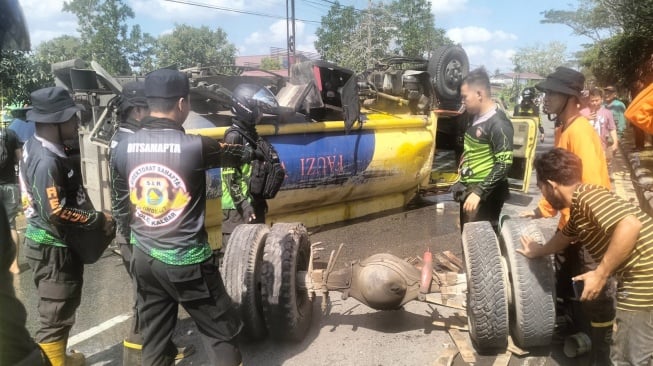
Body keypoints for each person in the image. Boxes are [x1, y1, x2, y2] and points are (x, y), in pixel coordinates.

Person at [111, 68, 262, 366]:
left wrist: (130, 243)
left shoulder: (122, 146)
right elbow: (238, 154)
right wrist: (254, 150)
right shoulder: (196, 146)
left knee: (154, 339)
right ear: (182, 104)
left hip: (143, 257)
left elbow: (120, 205)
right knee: (221, 334)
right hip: (187, 262)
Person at [518, 148, 653, 366]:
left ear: (551, 185)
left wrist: (601, 273)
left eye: (541, 188)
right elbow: (565, 237)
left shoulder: (588, 196)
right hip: (640, 275)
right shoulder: (580, 207)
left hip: (644, 278)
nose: (542, 194)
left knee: (628, 357)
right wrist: (538, 250)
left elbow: (630, 224)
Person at [20, 86, 114, 366]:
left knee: (62, 306)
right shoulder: (46, 161)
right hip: (52, 249)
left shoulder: (36, 145)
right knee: (56, 313)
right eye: (71, 118)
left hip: (51, 243)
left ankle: (59, 356)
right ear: (54, 122)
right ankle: (54, 361)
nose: (76, 123)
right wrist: (97, 219)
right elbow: (56, 211)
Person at [527, 67, 614, 364]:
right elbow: (558, 179)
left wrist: (571, 232)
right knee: (566, 286)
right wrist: (543, 210)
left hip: (589, 230)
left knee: (592, 294)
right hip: (571, 228)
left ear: (571, 97)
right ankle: (575, 339)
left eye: (552, 93)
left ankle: (599, 353)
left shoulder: (582, 132)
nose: (546, 98)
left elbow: (592, 188)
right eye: (547, 93)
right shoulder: (563, 128)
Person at [455, 67, 513, 231]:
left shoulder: (499, 124)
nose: (463, 101)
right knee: (468, 239)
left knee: (482, 245)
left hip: (486, 193)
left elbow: (504, 164)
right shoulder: (471, 117)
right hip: (471, 189)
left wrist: (479, 192)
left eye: (465, 97)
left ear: (479, 94)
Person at [221, 83, 269, 249]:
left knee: (256, 253)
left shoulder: (251, 135)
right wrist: (244, 205)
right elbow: (228, 177)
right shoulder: (233, 137)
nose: (260, 114)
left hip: (254, 204)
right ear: (245, 107)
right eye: (257, 109)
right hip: (237, 210)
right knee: (236, 255)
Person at [0, 122, 22, 274]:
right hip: (10, 186)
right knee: (11, 225)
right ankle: (14, 265)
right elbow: (21, 159)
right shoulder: (11, 134)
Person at [580, 87, 618, 164]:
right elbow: (576, 127)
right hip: (587, 148)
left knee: (603, 170)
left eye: (597, 100)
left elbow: (612, 129)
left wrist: (615, 143)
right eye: (592, 101)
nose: (594, 103)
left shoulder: (607, 113)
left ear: (601, 99)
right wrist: (585, 118)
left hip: (603, 148)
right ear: (589, 100)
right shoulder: (582, 113)